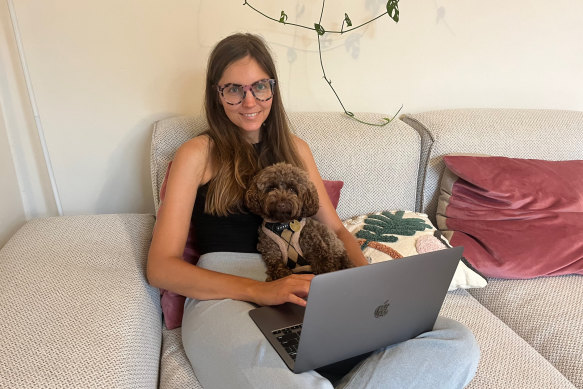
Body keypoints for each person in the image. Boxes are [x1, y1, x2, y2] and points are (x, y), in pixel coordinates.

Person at [147, 33, 480, 388]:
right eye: (234, 89)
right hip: (225, 295)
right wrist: (262, 291)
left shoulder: (296, 149)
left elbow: (336, 231)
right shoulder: (197, 153)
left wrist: (367, 286)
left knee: (456, 341)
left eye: (260, 86)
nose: (249, 101)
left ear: (273, 88)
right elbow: (161, 267)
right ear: (216, 94)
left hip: (307, 287)